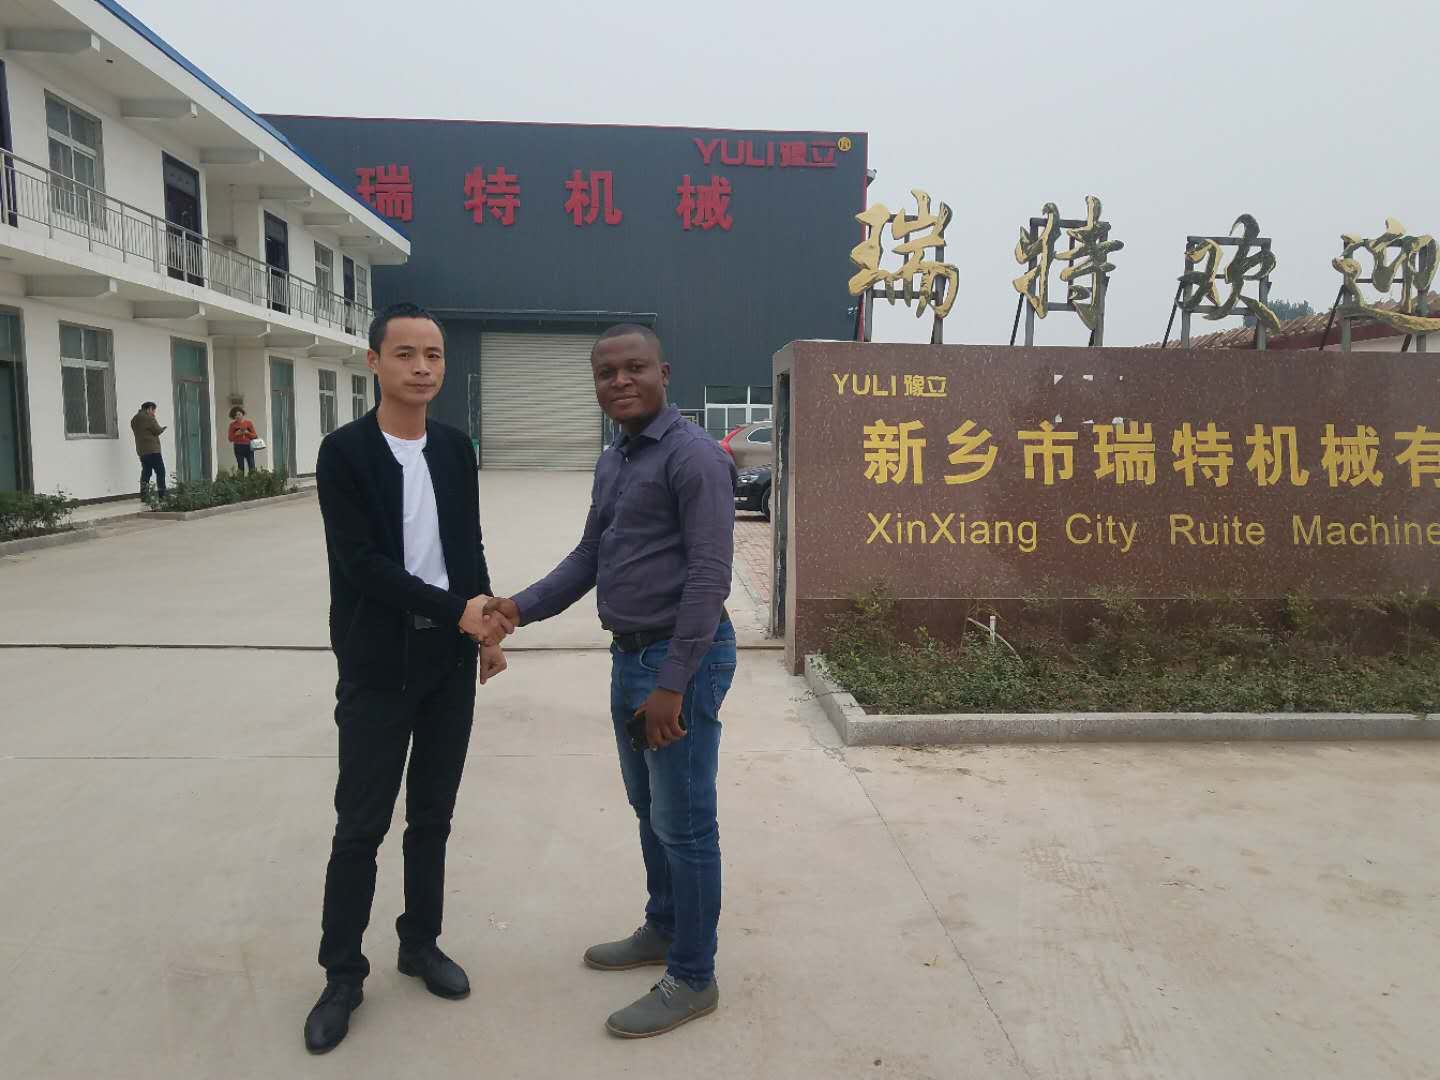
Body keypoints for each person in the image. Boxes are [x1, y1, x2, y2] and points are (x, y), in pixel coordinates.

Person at [486, 324, 737, 1039]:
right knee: (649, 807)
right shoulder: (615, 460)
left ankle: (693, 976)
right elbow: (589, 556)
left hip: (679, 662)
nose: (620, 381)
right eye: (606, 373)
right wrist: (517, 609)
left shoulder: (693, 458)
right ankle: (664, 926)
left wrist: (674, 684)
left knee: (685, 823)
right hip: (630, 657)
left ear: (664, 372)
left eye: (634, 368)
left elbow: (709, 578)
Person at [304, 302, 515, 1055]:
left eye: (433, 355)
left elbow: (467, 543)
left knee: (432, 817)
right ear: (373, 362)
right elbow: (361, 565)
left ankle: (419, 944)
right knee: (360, 826)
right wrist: (456, 610)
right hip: (377, 665)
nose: (422, 368)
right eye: (405, 354)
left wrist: (483, 627)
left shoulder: (455, 449)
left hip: (447, 665)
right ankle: (341, 975)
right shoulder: (345, 453)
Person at [130, 402, 167, 501]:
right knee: (161, 472)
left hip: (142, 450)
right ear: (149, 409)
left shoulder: (134, 419)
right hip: (153, 450)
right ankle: (162, 495)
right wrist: (162, 428)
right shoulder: (149, 418)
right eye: (153, 410)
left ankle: (144, 495)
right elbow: (157, 430)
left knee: (146, 472)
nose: (154, 413)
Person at [227, 406, 258, 473]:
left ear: (242, 414)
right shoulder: (232, 425)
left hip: (248, 446)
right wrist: (236, 434)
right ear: (233, 416)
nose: (238, 416)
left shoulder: (248, 423)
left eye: (239, 414)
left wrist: (247, 432)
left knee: (252, 465)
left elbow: (255, 436)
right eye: (235, 415)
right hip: (238, 447)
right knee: (241, 466)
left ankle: (253, 479)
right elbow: (230, 439)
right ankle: (240, 479)